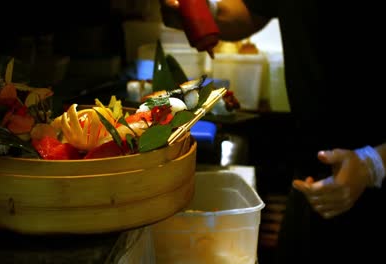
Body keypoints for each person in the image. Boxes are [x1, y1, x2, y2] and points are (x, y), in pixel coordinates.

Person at [160, 1, 386, 263]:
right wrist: (198, 10)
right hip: (309, 176)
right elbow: (249, 14)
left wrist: (373, 164)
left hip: (374, 185)